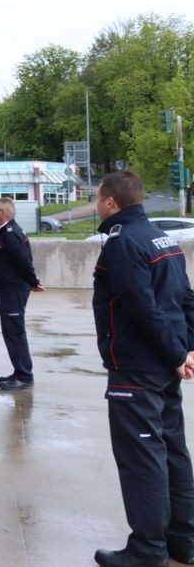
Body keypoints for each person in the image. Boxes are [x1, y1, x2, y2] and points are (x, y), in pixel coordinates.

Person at [91, 171, 194, 567]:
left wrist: (175, 353)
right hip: (162, 367)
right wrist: (186, 350)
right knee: (171, 452)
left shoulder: (122, 243)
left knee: (142, 459)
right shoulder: (161, 238)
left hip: (136, 368)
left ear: (111, 202)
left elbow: (140, 306)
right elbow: (186, 298)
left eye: (99, 198)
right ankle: (183, 541)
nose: (97, 204)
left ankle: (147, 550)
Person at [0, 197, 45, 391]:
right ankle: (19, 371)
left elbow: (23, 261)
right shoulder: (5, 231)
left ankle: (24, 375)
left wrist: (33, 282)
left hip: (13, 290)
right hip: (7, 289)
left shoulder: (11, 233)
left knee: (15, 332)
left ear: (3, 213)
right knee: (11, 332)